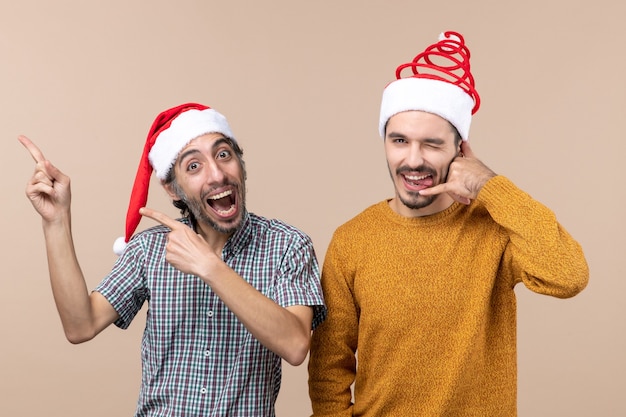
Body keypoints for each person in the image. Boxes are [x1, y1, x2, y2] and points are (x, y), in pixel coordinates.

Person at [307, 31, 589, 416]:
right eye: (400, 141)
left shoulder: (493, 227)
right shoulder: (352, 240)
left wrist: (490, 184)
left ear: (461, 150)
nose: (413, 160)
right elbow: (329, 369)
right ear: (385, 142)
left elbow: (568, 274)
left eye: (432, 144)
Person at [20, 102, 327, 417]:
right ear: (172, 188)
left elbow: (295, 344)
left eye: (224, 155)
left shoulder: (288, 245)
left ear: (240, 163)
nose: (218, 174)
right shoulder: (150, 249)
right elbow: (80, 325)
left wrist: (210, 267)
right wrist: (56, 221)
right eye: (194, 166)